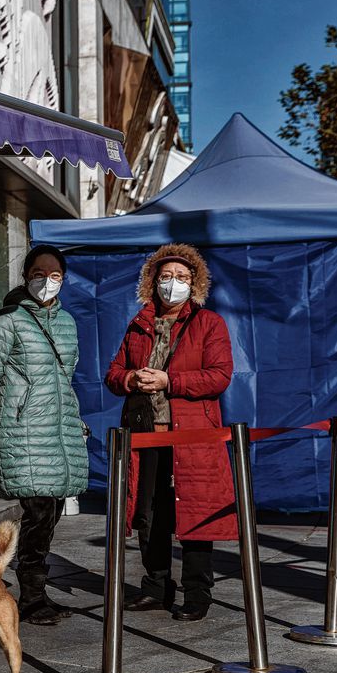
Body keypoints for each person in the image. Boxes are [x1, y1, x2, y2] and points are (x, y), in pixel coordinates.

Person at [106, 243, 237, 622]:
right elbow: (113, 374)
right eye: (165, 277)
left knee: (195, 513)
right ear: (152, 282)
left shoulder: (209, 323)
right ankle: (157, 587)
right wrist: (132, 377)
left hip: (192, 437)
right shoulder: (139, 324)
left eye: (181, 277)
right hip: (146, 437)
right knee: (149, 514)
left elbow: (219, 376)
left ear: (194, 284)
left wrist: (169, 380)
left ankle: (197, 593)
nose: (173, 284)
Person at [0, 245, 89, 625]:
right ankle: (33, 597)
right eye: (39, 273)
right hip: (25, 432)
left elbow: (66, 377)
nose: (47, 281)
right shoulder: (9, 320)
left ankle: (37, 593)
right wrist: (6, 420)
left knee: (50, 513)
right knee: (38, 511)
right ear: (26, 276)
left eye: (55, 275)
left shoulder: (68, 323)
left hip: (58, 432)